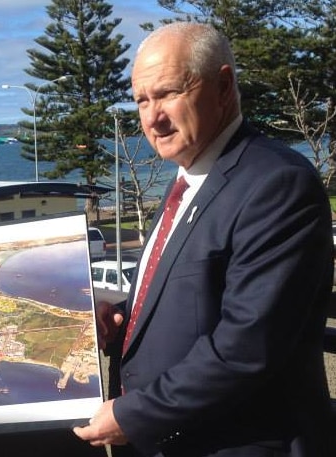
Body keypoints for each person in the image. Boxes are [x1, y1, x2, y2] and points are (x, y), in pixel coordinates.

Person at [73, 23, 334, 456]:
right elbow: (189, 295)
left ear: (224, 86)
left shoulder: (278, 184)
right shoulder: (187, 180)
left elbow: (248, 346)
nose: (152, 117)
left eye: (168, 93)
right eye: (142, 100)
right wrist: (117, 318)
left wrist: (136, 415)